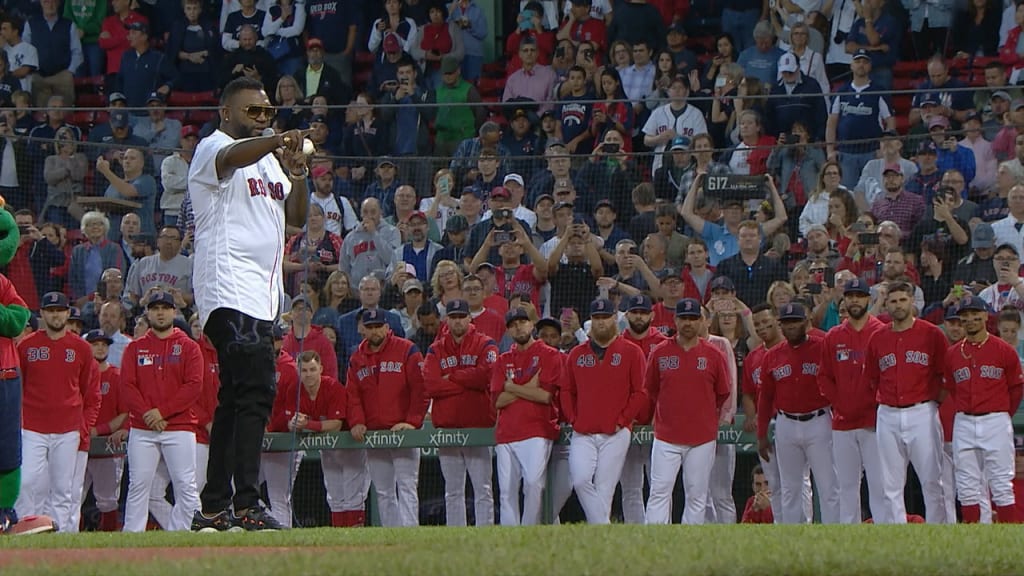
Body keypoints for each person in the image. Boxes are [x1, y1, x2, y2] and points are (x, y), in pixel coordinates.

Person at [189, 77, 309, 532]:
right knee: (257, 390)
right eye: (253, 111)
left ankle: (214, 506)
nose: (262, 117)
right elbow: (228, 159)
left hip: (261, 296)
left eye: (267, 112)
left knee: (235, 397)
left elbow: (294, 218)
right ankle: (246, 503)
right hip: (228, 288)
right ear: (227, 112)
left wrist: (296, 171)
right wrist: (273, 140)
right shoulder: (214, 145)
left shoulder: (269, 163)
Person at [864, 281, 950, 524]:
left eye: (903, 300)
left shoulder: (932, 333)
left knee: (932, 479)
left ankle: (936, 531)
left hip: (922, 410)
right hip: (888, 413)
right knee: (889, 483)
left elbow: (946, 376)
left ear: (912, 302)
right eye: (893, 301)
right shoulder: (877, 338)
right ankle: (897, 532)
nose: (898, 305)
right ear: (886, 305)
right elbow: (871, 378)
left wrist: (935, 402)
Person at [15, 291, 100, 533]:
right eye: (50, 311)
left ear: (67, 312)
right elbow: (18, 387)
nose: (55, 315)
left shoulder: (82, 348)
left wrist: (83, 427)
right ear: (41, 314)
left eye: (59, 310)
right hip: (31, 426)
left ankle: (60, 534)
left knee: (63, 488)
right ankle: (26, 529)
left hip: (68, 429)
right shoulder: (26, 346)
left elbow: (89, 392)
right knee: (27, 482)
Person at [120, 292, 203, 532]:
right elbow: (127, 385)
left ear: (174, 311)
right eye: (155, 308)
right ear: (147, 312)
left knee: (186, 484)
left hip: (179, 426)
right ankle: (132, 536)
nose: (160, 312)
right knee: (138, 485)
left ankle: (191, 532)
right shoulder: (136, 347)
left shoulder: (188, 346)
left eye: (165, 308)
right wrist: (148, 413)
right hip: (142, 428)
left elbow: (193, 386)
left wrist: (162, 412)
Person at [644, 298, 730, 525]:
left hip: (701, 437)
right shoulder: (660, 352)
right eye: (684, 318)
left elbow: (723, 392)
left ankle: (689, 543)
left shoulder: (713, 354)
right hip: (666, 436)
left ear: (702, 320)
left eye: (693, 318)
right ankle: (654, 540)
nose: (688, 323)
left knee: (697, 495)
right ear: (675, 319)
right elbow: (651, 388)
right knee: (659, 491)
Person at [562, 297, 646, 524]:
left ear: (615, 320)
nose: (601, 323)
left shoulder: (631, 352)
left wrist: (623, 420)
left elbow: (640, 392)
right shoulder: (576, 354)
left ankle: (597, 538)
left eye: (605, 318)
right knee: (580, 480)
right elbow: (566, 390)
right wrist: (572, 418)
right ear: (591, 321)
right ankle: (604, 528)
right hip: (584, 432)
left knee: (604, 487)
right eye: (596, 318)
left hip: (616, 432)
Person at [756, 302, 840, 524]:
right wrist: (761, 435)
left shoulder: (822, 347)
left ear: (806, 321)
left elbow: (835, 384)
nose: (791, 326)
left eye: (795, 321)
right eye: (786, 322)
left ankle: (835, 535)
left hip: (819, 420)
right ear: (780, 325)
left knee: (828, 485)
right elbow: (765, 399)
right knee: (790, 487)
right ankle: (793, 535)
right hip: (785, 423)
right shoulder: (772, 356)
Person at [942, 296, 1022, 523]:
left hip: (996, 420)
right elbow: (952, 388)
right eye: (965, 315)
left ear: (986, 316)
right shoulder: (953, 354)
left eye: (975, 314)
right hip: (964, 420)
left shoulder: (1003, 350)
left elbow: (1016, 388)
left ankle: (1007, 536)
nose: (970, 319)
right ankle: (972, 536)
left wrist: (1002, 414)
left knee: (1001, 483)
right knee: (966, 484)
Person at [346, 309, 427, 528]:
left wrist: (412, 422)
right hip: (374, 433)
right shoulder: (357, 357)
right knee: (383, 490)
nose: (374, 331)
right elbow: (352, 395)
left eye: (378, 326)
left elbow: (420, 390)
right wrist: (357, 421)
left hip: (403, 431)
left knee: (407, 485)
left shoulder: (406, 349)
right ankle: (391, 533)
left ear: (387, 327)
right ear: (363, 329)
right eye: (369, 327)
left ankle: (409, 533)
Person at [423, 299, 498, 526]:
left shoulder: (485, 344)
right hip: (447, 428)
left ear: (469, 318)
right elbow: (430, 385)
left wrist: (454, 376)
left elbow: (488, 376)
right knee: (452, 489)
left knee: (483, 487)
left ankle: (485, 530)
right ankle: (456, 531)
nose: (457, 321)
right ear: (447, 319)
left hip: (477, 428)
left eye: (461, 316)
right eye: (453, 317)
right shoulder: (436, 348)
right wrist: (468, 380)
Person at [818, 278, 886, 523]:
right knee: (847, 485)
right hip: (843, 423)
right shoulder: (833, 336)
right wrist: (840, 403)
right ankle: (849, 533)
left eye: (860, 295)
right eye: (850, 296)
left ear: (869, 299)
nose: (855, 300)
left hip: (874, 421)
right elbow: (824, 377)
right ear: (844, 301)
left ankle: (884, 531)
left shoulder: (880, 332)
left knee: (879, 485)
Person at [490, 308, 562, 526]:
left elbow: (545, 395)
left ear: (532, 325)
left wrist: (512, 387)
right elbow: (498, 401)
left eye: (523, 322)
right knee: (506, 491)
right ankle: (511, 535)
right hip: (506, 433)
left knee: (533, 484)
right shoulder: (503, 360)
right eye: (513, 324)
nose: (518, 327)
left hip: (536, 429)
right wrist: (528, 385)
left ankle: (529, 529)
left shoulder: (549, 355)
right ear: (508, 330)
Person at [618, 294, 668, 524]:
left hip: (658, 425)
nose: (638, 316)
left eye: (643, 312)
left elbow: (669, 385)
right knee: (630, 486)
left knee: (659, 485)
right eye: (634, 312)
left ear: (652, 315)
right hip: (627, 424)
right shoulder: (618, 343)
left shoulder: (664, 343)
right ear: (627, 315)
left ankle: (660, 530)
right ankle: (635, 532)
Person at [79, 329, 128, 532]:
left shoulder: (116, 376)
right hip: (80, 443)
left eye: (104, 344)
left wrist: (98, 430)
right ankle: (71, 532)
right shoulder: (80, 375)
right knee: (73, 495)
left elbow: (125, 412)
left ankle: (109, 537)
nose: (100, 348)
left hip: (107, 445)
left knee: (108, 499)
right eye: (95, 344)